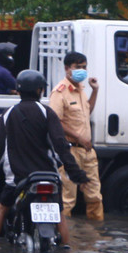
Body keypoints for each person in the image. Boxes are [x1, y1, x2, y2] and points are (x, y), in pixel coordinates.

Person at [0, 69, 89, 244]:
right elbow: (61, 146)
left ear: (18, 91)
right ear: (40, 90)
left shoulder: (8, 114)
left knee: (2, 208)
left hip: (17, 179)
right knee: (59, 214)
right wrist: (77, 174)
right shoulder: (47, 113)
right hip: (48, 177)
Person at [47, 50, 103, 222]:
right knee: (67, 200)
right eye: (78, 67)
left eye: (84, 67)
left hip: (87, 151)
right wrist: (78, 138)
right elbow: (54, 121)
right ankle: (66, 239)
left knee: (95, 196)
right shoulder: (60, 92)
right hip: (70, 152)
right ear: (67, 69)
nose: (82, 70)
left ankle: (94, 238)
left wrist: (95, 91)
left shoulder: (81, 90)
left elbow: (87, 111)